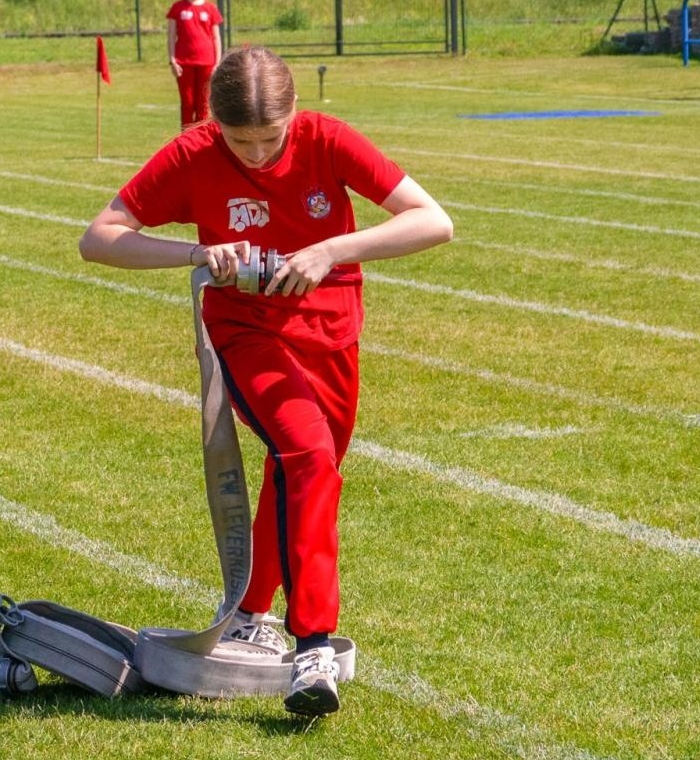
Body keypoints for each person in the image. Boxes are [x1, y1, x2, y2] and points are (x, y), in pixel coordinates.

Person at [78, 47, 453, 717]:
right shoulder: (192, 154)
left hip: (333, 332)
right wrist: (196, 252)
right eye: (238, 140)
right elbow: (99, 236)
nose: (254, 155)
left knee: (303, 470)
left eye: (269, 139)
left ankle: (251, 613)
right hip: (247, 331)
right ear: (210, 121)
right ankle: (313, 645)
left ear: (295, 116)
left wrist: (332, 249)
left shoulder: (329, 140)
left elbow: (433, 220)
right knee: (305, 453)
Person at [166, 0, 224, 129]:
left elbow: (216, 37)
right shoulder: (178, 8)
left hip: (207, 62)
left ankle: (201, 138)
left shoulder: (210, 8)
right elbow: (171, 35)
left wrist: (217, 62)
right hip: (184, 62)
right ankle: (186, 137)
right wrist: (172, 60)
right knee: (187, 102)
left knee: (203, 103)